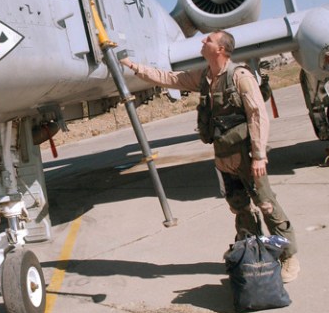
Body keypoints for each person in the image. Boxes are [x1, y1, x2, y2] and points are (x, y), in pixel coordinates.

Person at [120, 30, 300, 282]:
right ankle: (251, 252)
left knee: (267, 205)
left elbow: (258, 115)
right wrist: (132, 66)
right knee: (239, 208)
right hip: (223, 157)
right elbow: (168, 78)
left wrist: (259, 156)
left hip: (247, 156)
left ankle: (289, 256)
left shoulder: (240, 76)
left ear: (221, 49)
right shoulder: (204, 78)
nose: (202, 41)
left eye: (208, 40)